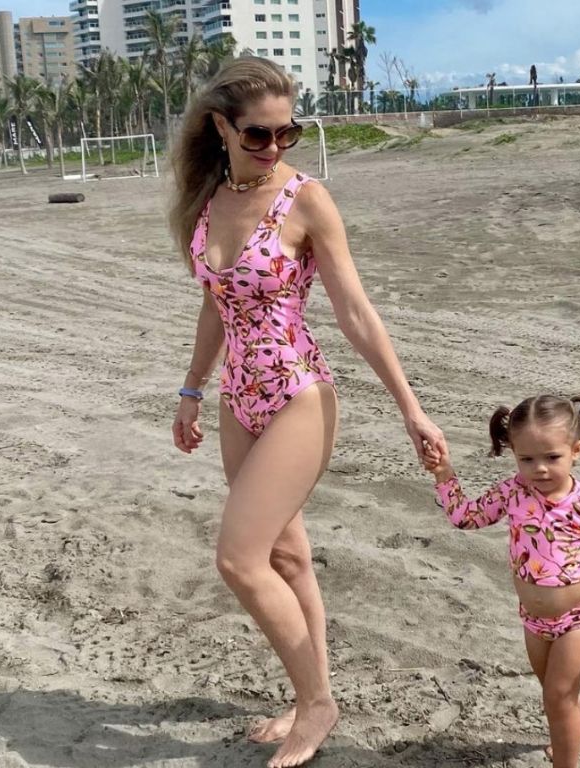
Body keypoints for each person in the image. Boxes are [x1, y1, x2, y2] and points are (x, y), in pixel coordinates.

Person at [169, 57, 445, 768]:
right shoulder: (206, 201)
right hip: (238, 399)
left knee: (238, 558)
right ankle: (308, 696)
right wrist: (192, 390)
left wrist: (411, 410)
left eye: (286, 133)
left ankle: (317, 703)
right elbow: (215, 304)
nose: (274, 146)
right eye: (258, 134)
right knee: (286, 556)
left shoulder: (307, 199)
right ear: (221, 127)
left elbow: (356, 312)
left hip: (299, 393)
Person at [422, 395, 580, 768]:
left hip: (578, 619)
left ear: (576, 450)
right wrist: (444, 473)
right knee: (557, 695)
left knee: (558, 697)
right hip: (533, 622)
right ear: (514, 454)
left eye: (552, 457)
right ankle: (574, 734)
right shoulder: (512, 492)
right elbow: (465, 517)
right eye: (526, 459)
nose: (539, 469)